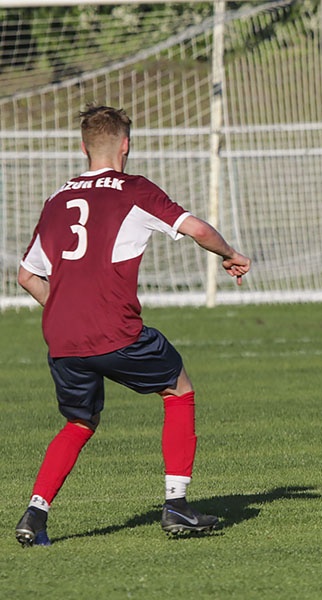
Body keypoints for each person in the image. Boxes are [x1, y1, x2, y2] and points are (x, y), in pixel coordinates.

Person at [15, 104, 251, 547]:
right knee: (178, 388)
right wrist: (230, 255)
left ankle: (35, 514)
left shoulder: (57, 199)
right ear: (126, 144)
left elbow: (27, 275)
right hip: (115, 330)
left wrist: (67, 309)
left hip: (63, 336)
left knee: (79, 423)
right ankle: (177, 504)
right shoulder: (133, 189)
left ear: (83, 147)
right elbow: (195, 228)